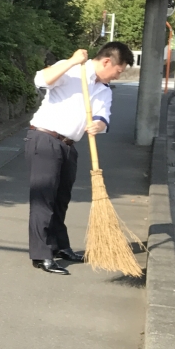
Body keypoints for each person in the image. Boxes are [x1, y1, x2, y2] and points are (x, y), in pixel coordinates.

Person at [26, 41, 132, 274]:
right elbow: (41, 80)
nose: (117, 76)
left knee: (61, 198)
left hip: (68, 145)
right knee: (44, 199)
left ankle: (59, 246)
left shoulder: (103, 89)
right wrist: (72, 61)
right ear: (107, 61)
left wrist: (99, 124)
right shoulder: (73, 70)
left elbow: (104, 116)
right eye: (118, 70)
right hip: (45, 139)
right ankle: (41, 254)